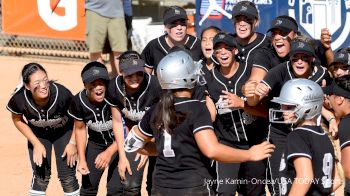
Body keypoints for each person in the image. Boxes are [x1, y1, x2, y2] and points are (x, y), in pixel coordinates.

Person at [123, 50, 275, 195]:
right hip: (193, 186)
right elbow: (212, 150)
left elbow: (131, 144)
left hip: (161, 187)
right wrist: (249, 154)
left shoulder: (156, 109)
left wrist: (162, 149)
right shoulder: (196, 108)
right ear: (185, 77)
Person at [251, 36, 332, 195]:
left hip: (309, 131)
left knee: (316, 178)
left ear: (312, 60)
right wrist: (254, 93)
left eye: (304, 58)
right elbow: (254, 99)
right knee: (281, 180)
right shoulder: (280, 70)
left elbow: (331, 102)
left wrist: (331, 116)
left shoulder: (322, 74)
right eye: (295, 58)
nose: (299, 62)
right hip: (281, 131)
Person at [204, 32, 269, 195]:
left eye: (227, 48)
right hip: (227, 144)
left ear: (235, 50)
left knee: (254, 192)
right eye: (218, 50)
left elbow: (268, 112)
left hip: (255, 142)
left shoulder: (250, 72)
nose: (223, 52)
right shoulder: (209, 79)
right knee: (225, 191)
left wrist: (242, 104)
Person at [6, 63, 79, 196]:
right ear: (27, 86)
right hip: (39, 135)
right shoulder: (19, 99)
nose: (43, 85)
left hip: (63, 133)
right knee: (41, 177)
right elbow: (17, 120)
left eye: (45, 80)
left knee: (67, 177)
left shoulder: (61, 94)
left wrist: (73, 143)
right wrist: (36, 143)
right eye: (37, 82)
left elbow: (78, 118)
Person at [270, 78, 341, 195]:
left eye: (289, 107)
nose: (283, 111)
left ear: (307, 107)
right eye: (283, 106)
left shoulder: (297, 135)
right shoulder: (323, 133)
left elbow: (305, 178)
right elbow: (337, 180)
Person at [106, 51, 161, 195]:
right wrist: (123, 156)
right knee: (131, 185)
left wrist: (148, 146)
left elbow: (163, 119)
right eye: (130, 74)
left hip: (158, 135)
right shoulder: (113, 87)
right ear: (121, 72)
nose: (135, 78)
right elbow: (117, 122)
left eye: (139, 73)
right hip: (133, 135)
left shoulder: (155, 85)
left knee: (155, 186)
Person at [68, 62, 122, 195]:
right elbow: (80, 130)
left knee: (115, 189)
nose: (98, 87)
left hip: (119, 144)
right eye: (93, 83)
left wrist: (109, 152)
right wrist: (82, 160)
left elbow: (127, 129)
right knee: (88, 187)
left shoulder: (116, 96)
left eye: (102, 82)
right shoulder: (78, 101)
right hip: (95, 144)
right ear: (85, 85)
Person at [141, 5, 202, 75]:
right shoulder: (154, 46)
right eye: (173, 24)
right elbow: (145, 78)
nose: (179, 27)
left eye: (183, 23)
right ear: (165, 27)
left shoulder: (198, 45)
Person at [85, 0, 127, 76]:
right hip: (95, 9)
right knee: (95, 50)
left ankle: (122, 84)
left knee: (120, 51)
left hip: (117, 10)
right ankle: (101, 81)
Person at [324, 75, 350, 195]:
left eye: (330, 96)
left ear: (340, 99)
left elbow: (349, 170)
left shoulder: (346, 124)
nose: (329, 102)